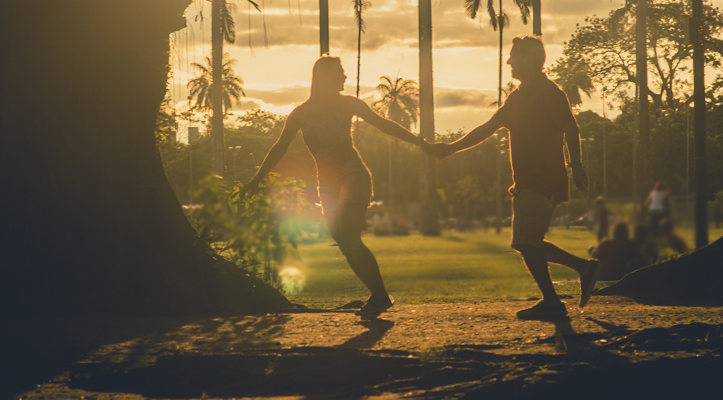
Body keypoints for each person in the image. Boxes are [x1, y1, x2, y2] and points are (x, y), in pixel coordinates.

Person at [427, 35, 600, 320]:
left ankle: (556, 299)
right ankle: (582, 271)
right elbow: (488, 127)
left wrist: (576, 164)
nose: (508, 61)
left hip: (542, 180)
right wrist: (451, 148)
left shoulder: (549, 92)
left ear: (529, 60)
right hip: (526, 181)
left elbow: (571, 127)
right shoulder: (517, 97)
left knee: (525, 242)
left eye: (513, 56)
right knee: (527, 242)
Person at [242, 55, 427, 318]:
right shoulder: (301, 113)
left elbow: (385, 126)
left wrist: (422, 144)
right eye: (340, 72)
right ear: (325, 77)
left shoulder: (349, 104)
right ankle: (379, 295)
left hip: (353, 176)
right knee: (341, 239)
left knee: (349, 236)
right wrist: (257, 178)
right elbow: (280, 147)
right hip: (326, 184)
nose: (345, 77)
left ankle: (380, 296)